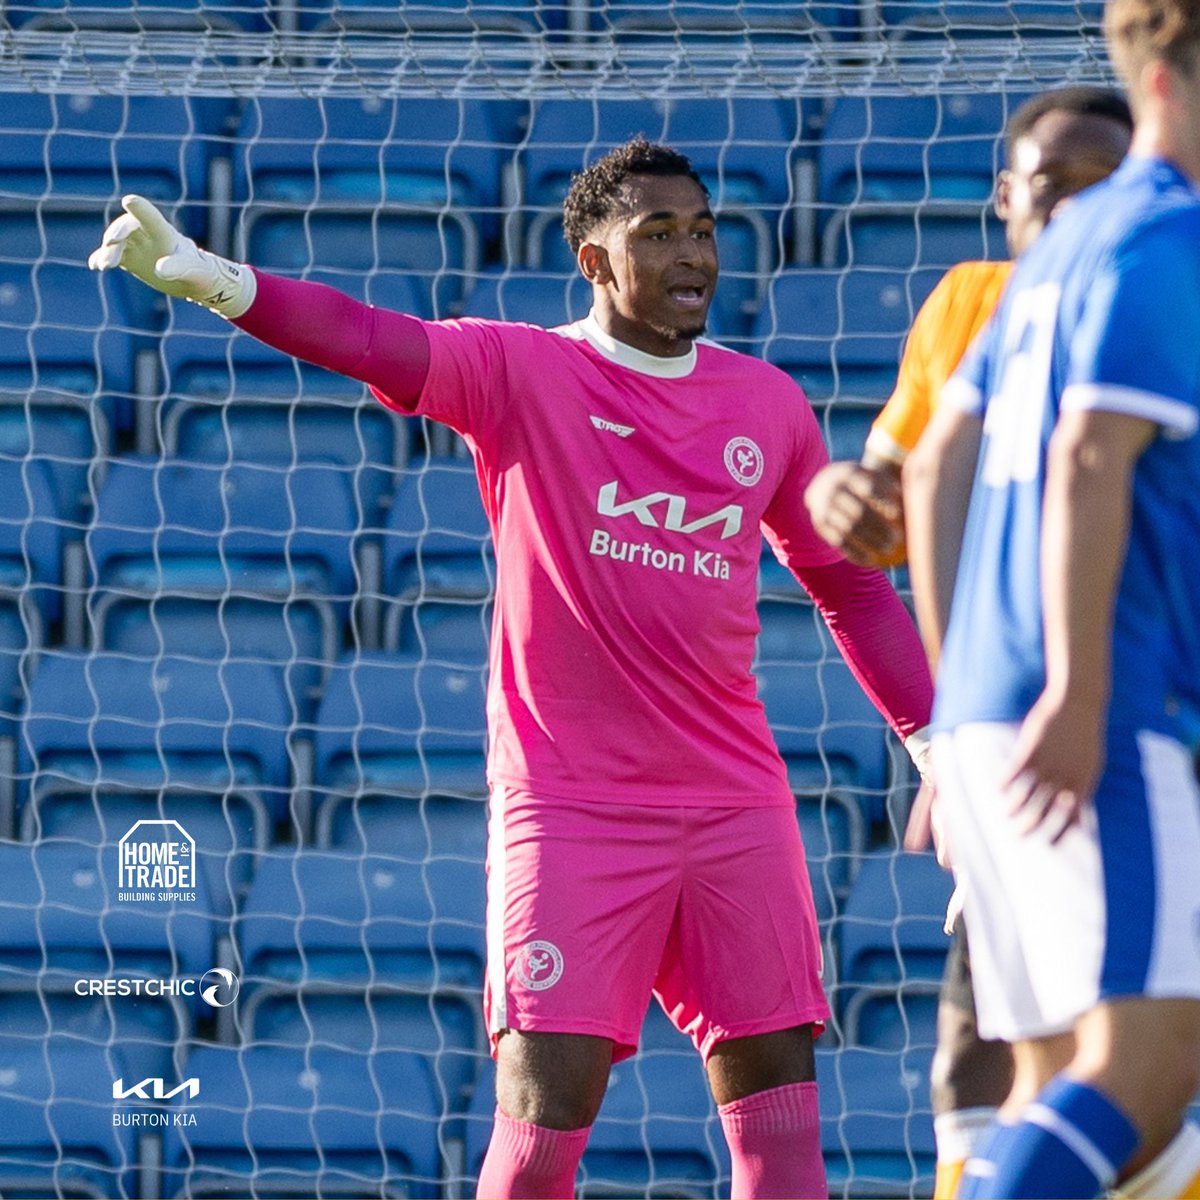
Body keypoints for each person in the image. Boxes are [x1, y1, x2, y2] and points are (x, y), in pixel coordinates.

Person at [90, 137, 935, 1199]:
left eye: (705, 228)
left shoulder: (766, 404)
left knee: (782, 1134)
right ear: (593, 261)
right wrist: (220, 283)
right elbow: (370, 338)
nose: (694, 255)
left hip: (736, 807)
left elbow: (850, 587)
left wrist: (936, 744)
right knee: (540, 1137)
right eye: (658, 233)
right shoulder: (523, 369)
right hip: (571, 810)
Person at [803, 85, 1134, 1200]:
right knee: (982, 1046)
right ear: (1005, 198)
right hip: (1004, 728)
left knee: (1138, 1055)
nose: (1075, 213)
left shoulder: (1164, 300)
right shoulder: (967, 306)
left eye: (1105, 189)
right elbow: (893, 496)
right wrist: (854, 502)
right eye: (1052, 189)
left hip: (1144, 718)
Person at [903, 0, 1200, 1192]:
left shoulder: (1048, 261)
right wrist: (1076, 691)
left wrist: (954, 712)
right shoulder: (1162, 236)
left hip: (985, 708)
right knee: (1149, 1060)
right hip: (1104, 708)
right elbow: (1088, 455)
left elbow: (935, 461)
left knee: (1042, 1074)